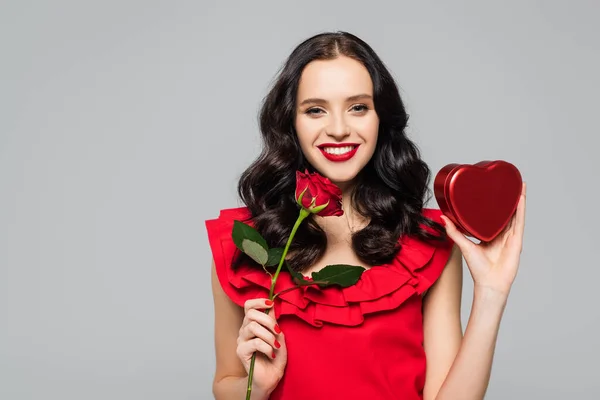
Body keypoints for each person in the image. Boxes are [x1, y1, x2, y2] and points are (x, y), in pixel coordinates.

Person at [205, 31, 527, 400]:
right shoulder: (244, 244)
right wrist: (258, 386)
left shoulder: (428, 241)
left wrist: (491, 292)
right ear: (290, 122)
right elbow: (225, 383)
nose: (339, 129)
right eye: (315, 109)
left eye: (358, 107)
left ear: (381, 118)